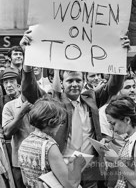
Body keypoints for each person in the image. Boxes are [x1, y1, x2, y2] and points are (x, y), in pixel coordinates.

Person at [20, 29, 130, 188]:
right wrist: (28, 59)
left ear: (84, 81)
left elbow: (113, 87)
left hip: (91, 168)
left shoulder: (91, 98)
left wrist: (120, 55)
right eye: (70, 81)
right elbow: (29, 90)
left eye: (78, 80)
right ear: (62, 83)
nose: (74, 84)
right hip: (63, 168)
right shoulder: (53, 103)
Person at [18, 96, 85, 188]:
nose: (61, 125)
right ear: (51, 122)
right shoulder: (49, 147)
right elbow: (72, 184)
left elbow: (25, 180)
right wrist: (78, 165)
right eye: (61, 122)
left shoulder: (24, 142)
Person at [104, 96, 136, 188]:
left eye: (113, 123)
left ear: (127, 120)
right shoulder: (132, 138)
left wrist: (116, 160)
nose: (111, 128)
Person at [2, 78, 34, 188]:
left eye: (11, 82)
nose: (9, 85)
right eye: (5, 83)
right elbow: (7, 132)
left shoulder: (39, 102)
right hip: (19, 162)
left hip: (39, 159)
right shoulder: (9, 106)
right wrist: (21, 113)